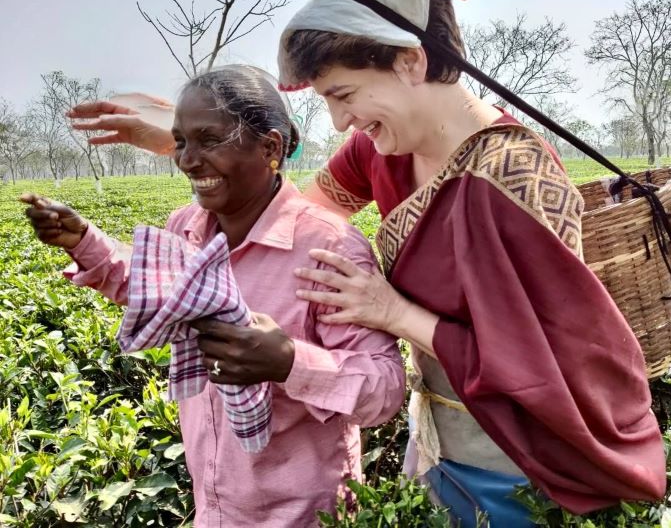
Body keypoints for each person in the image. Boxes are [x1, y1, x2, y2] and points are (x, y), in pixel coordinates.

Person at [69, 0, 667, 524]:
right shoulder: (378, 150)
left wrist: (394, 313)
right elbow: (287, 218)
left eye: (344, 94)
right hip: (437, 432)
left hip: (518, 453)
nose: (338, 121)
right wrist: (200, 148)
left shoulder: (517, 174)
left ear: (410, 59)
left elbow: (551, 359)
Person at [23, 65, 405, 527]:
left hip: (303, 513)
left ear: (270, 147)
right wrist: (81, 239)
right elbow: (156, 291)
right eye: (181, 141)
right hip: (215, 503)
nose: (187, 159)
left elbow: (384, 390)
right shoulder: (185, 225)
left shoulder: (327, 247)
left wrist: (288, 363)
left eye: (209, 140)